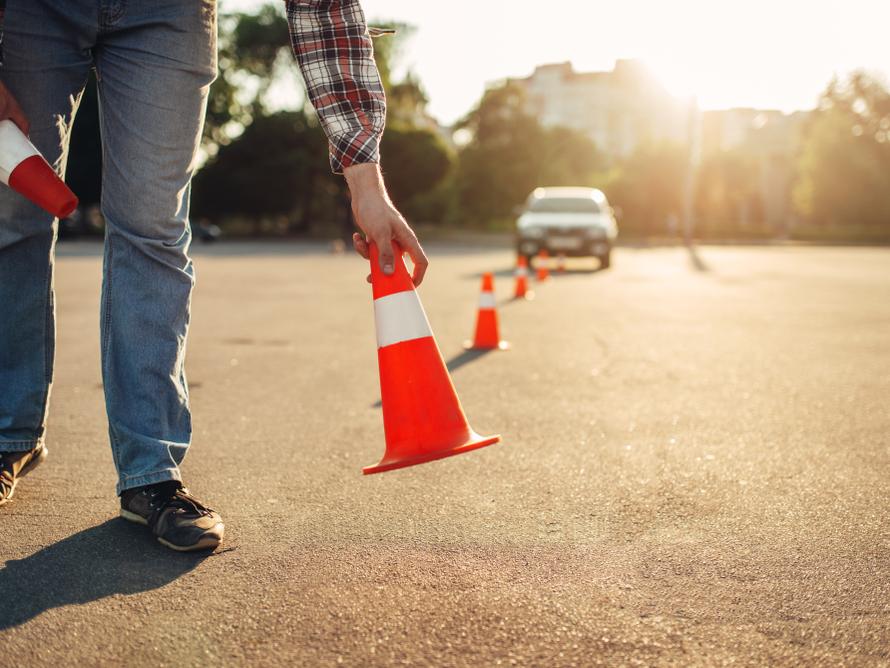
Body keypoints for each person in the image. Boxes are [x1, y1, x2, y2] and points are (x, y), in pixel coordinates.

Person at [0, 0, 427, 552]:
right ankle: (9, 432)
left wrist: (368, 188)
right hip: (30, 10)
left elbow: (323, 10)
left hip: (167, 14)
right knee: (11, 214)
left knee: (153, 228)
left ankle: (150, 472)